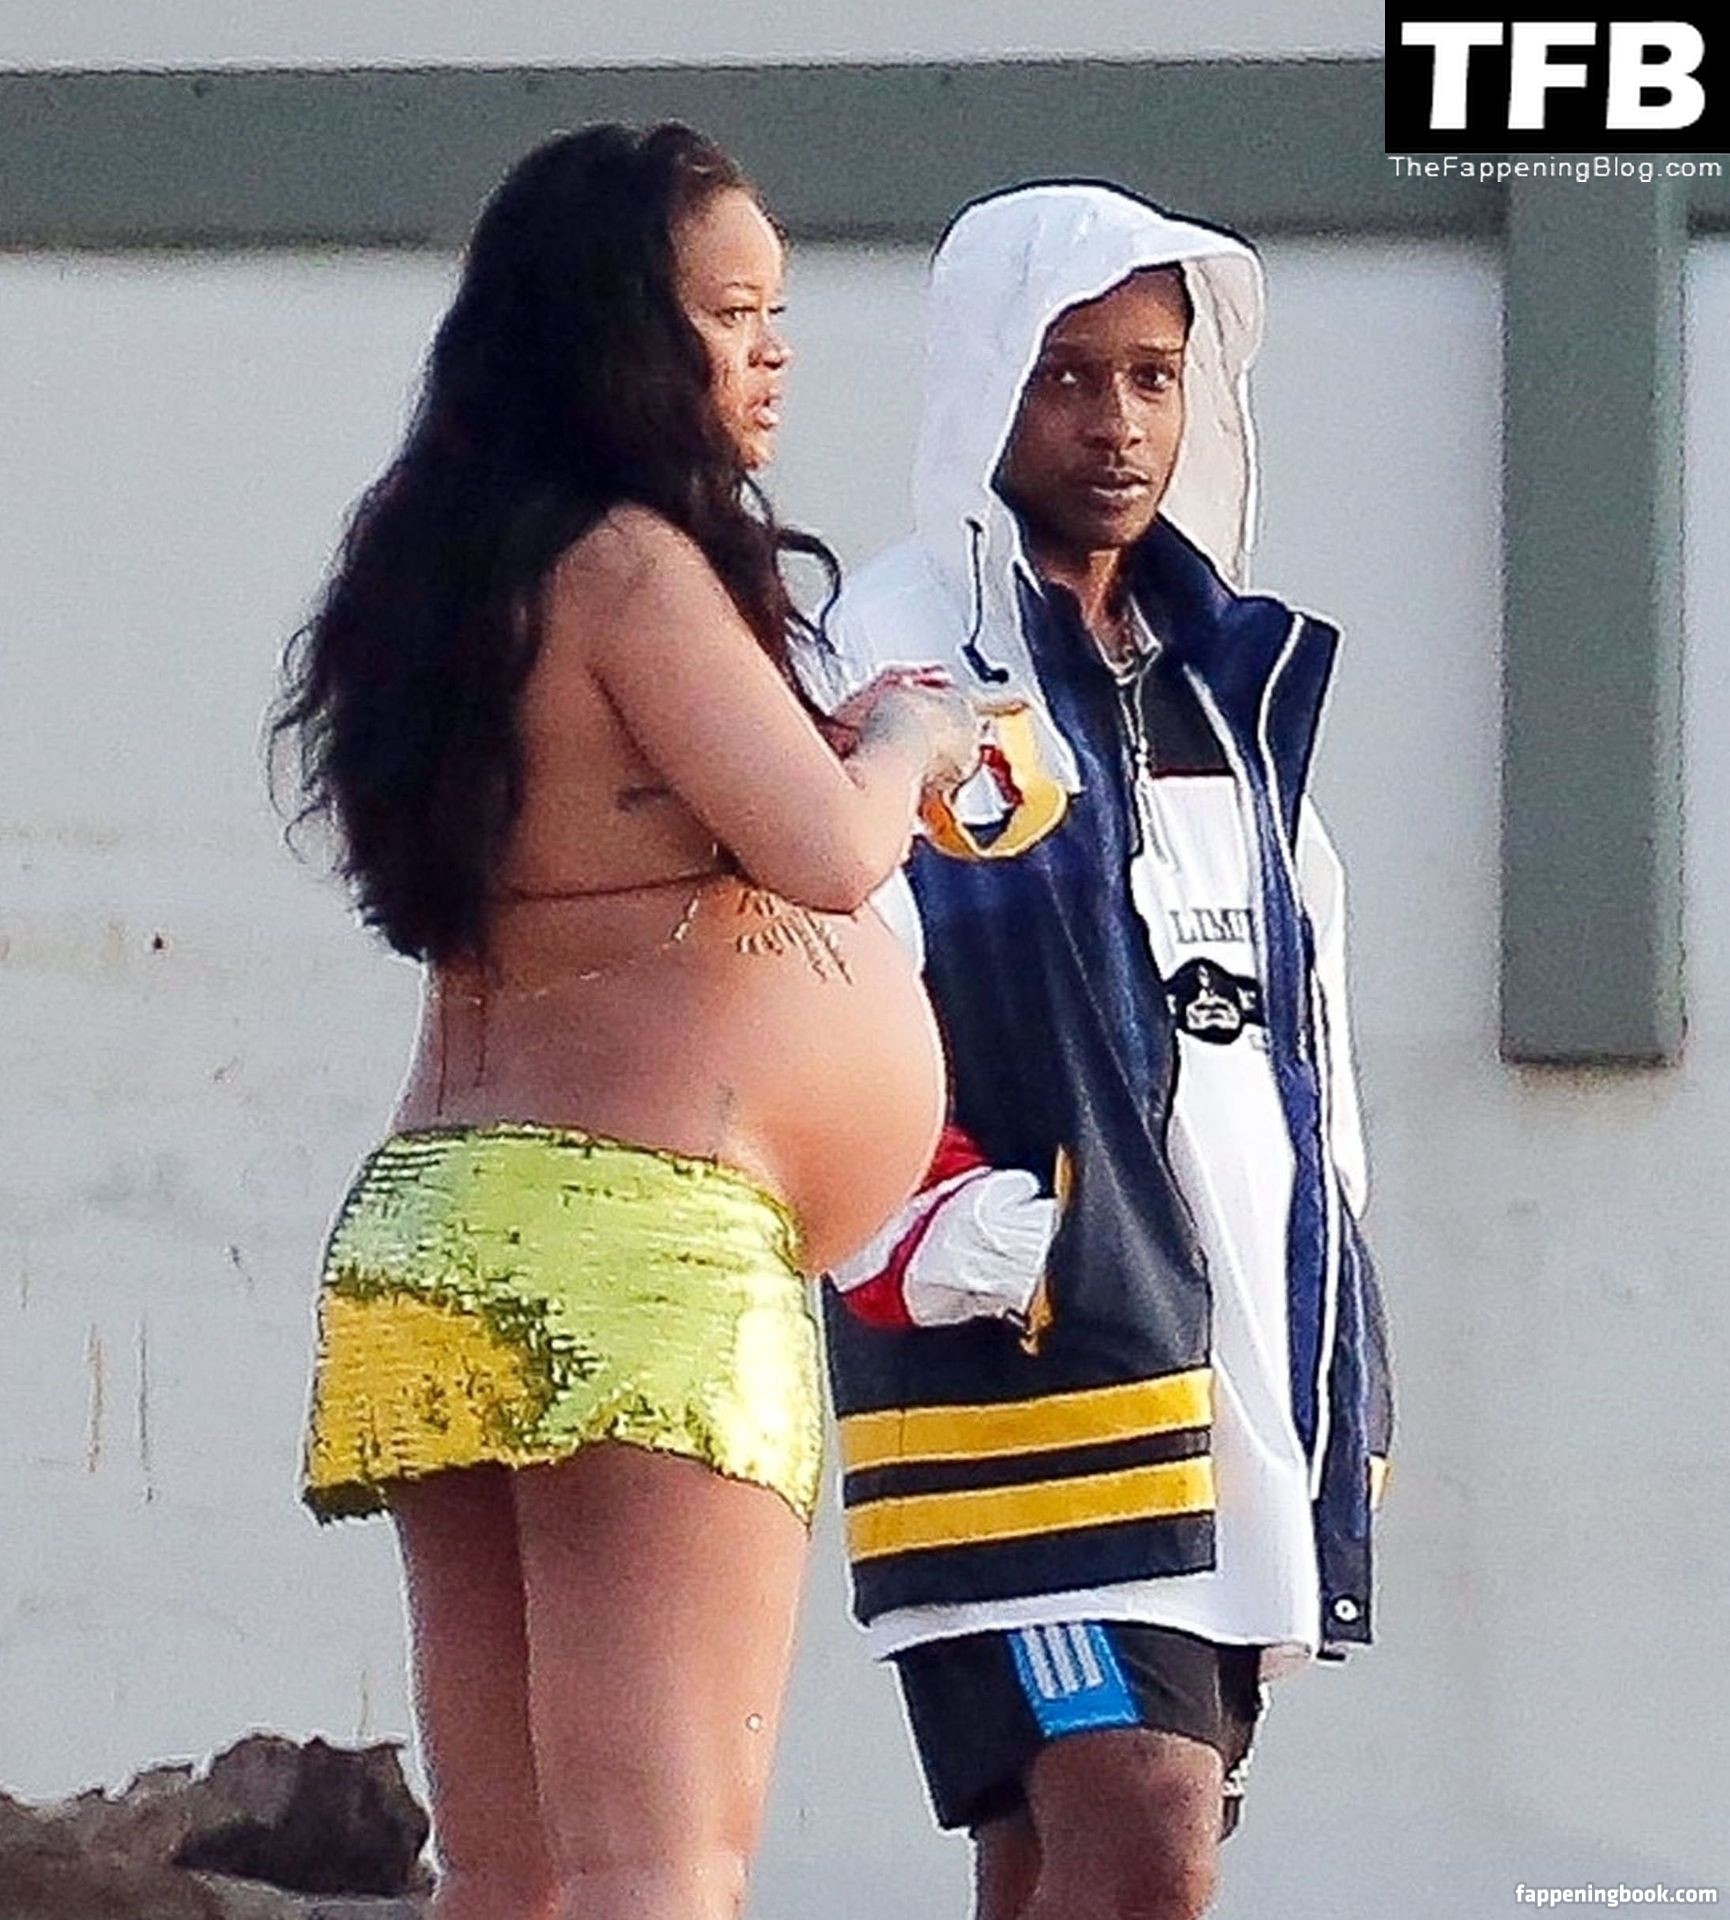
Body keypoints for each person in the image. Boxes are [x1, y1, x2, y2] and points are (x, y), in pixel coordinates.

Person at [271, 123, 979, 1920]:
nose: (774, 353)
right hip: (634, 1251)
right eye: (731, 315)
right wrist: (909, 740)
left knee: (507, 1872)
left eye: (773, 312)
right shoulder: (631, 568)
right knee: (659, 1865)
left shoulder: (441, 568)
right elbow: (828, 852)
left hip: (431, 1228)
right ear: (616, 337)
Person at [805, 183, 1395, 1920]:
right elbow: (812, 983)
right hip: (1020, 1374)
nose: (1116, 422)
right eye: (1065, 375)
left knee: (1059, 1860)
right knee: (1143, 1835)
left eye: (1150, 375)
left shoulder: (1226, 681)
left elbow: (1303, 1043)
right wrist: (952, 1233)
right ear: (981, 381)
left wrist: (1341, 1326)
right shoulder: (895, 654)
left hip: (1236, 1377)